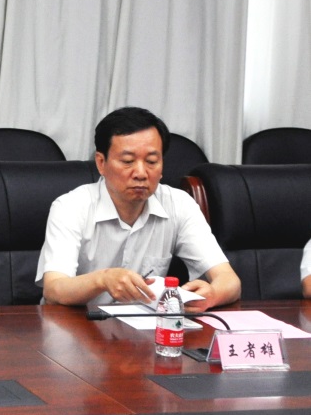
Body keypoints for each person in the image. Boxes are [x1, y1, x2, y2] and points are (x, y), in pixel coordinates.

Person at [36, 106, 240, 309]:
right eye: (128, 161)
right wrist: (102, 280)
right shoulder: (70, 207)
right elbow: (54, 289)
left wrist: (212, 295)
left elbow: (229, 281)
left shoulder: (179, 205)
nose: (141, 173)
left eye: (151, 161)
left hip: (144, 325)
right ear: (101, 163)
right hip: (77, 323)